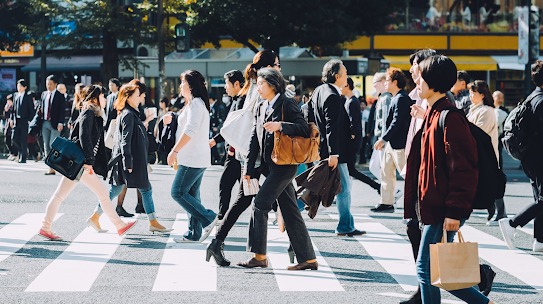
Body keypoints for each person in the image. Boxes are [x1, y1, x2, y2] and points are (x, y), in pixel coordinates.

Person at [405, 55, 494, 304]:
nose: (417, 81)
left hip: (444, 208)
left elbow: (463, 169)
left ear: (433, 81)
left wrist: (455, 211)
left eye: (421, 76)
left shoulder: (449, 117)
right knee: (440, 274)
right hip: (435, 206)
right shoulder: (433, 114)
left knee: (428, 270)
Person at [205, 50, 284, 266]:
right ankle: (292, 247)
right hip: (258, 156)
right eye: (276, 64)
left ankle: (220, 243)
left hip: (252, 156)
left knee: (249, 199)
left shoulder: (253, 84)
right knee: (267, 199)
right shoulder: (262, 87)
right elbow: (255, 123)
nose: (279, 67)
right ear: (268, 67)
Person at [236, 67, 317, 271]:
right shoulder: (261, 106)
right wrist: (248, 167)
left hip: (286, 165)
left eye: (261, 84)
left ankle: (259, 256)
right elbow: (254, 138)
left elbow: (303, 128)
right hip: (269, 166)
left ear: (273, 84)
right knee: (290, 211)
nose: (258, 88)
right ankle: (308, 259)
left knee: (260, 203)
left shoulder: (287, 103)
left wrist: (281, 125)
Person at [38, 85, 137, 241]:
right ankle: (119, 225)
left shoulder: (94, 114)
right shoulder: (89, 113)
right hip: (82, 164)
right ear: (94, 98)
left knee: (59, 196)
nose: (105, 99)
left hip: (79, 163)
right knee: (104, 194)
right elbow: (84, 137)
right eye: (103, 96)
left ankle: (45, 227)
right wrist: (89, 161)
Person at [88, 80, 172, 234]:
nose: (141, 97)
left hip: (128, 161)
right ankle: (153, 221)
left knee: (116, 190)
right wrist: (129, 163)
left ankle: (95, 216)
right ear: (128, 97)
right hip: (131, 161)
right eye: (138, 95)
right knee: (143, 189)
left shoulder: (128, 113)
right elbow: (125, 141)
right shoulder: (128, 115)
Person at [308, 59, 365, 236]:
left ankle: (346, 224)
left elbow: (307, 111)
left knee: (324, 185)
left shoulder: (319, 91)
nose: (347, 77)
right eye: (345, 73)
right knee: (344, 188)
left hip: (325, 149)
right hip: (335, 151)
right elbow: (333, 126)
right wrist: (334, 153)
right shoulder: (332, 95)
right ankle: (345, 226)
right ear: (336, 76)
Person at [400, 48, 437, 304]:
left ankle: (478, 275)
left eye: (415, 65)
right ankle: (422, 288)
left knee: (421, 230)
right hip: (414, 173)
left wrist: (426, 117)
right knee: (415, 229)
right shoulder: (415, 96)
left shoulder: (434, 101)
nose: (412, 70)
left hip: (427, 176)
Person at [166, 70, 217, 243]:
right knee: (192, 196)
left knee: (177, 192)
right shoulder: (193, 104)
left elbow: (190, 130)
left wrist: (175, 150)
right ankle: (194, 233)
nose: (180, 86)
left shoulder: (196, 104)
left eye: (183, 82)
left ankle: (209, 218)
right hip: (194, 158)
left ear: (191, 86)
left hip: (193, 158)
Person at [500, 60, 543, 253]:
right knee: (542, 199)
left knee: (540, 198)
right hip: (538, 157)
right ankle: (512, 223)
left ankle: (540, 240)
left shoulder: (533, 97)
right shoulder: (541, 101)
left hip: (531, 157)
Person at [372, 68, 413, 213]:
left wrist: (383, 139)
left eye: (388, 80)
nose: (385, 83)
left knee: (407, 174)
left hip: (400, 144)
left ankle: (415, 202)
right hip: (394, 144)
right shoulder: (397, 97)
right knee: (386, 171)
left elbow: (396, 122)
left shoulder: (401, 98)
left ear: (395, 82)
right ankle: (386, 202)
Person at [209, 70, 246, 221]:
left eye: (227, 84)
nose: (225, 88)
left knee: (226, 184)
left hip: (236, 152)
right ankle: (277, 206)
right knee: (246, 188)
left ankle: (222, 217)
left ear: (236, 84)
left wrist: (231, 147)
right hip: (235, 152)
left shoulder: (241, 101)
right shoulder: (237, 100)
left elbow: (238, 127)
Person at [466, 80, 500, 225]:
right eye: (469, 92)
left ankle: (498, 212)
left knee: (489, 184)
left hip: (485, 154)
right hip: (477, 153)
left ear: (481, 94)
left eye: (472, 93)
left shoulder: (487, 111)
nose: (470, 96)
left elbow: (478, 133)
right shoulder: (474, 109)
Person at [343, 77, 381, 194]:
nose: (339, 88)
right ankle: (375, 186)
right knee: (349, 170)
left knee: (350, 170)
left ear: (347, 85)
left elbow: (353, 122)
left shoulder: (352, 101)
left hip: (351, 143)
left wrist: (351, 137)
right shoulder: (351, 100)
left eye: (341, 85)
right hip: (353, 142)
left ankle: (376, 186)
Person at [39, 75, 66, 175]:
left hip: (55, 123)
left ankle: (56, 165)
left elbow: (62, 111)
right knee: (46, 145)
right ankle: (50, 167)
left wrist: (61, 122)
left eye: (50, 84)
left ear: (55, 84)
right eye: (47, 84)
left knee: (53, 145)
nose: (48, 86)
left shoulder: (60, 95)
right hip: (45, 122)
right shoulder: (44, 94)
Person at [11, 79, 35, 163]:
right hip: (16, 120)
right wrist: (11, 119)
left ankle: (23, 158)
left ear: (25, 87)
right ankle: (21, 152)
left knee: (23, 140)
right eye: (18, 86)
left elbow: (32, 111)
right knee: (14, 138)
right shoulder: (15, 95)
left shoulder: (28, 97)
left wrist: (29, 120)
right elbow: (13, 109)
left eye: (20, 86)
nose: (19, 88)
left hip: (24, 120)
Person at [209, 92, 226, 165]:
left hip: (216, 129)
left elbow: (222, 119)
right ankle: (214, 159)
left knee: (215, 144)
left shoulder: (219, 107)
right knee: (212, 143)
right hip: (210, 129)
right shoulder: (209, 107)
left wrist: (218, 127)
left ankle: (219, 159)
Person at [493, 91, 508, 169]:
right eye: (498, 97)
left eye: (502, 98)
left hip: (500, 136)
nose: (500, 100)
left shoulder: (504, 110)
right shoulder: (489, 108)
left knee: (498, 153)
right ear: (493, 98)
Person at [3, 94, 18, 161]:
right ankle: (12, 153)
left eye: (9, 100)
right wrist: (5, 111)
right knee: (7, 140)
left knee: (13, 140)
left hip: (13, 125)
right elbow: (5, 116)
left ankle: (15, 154)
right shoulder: (7, 107)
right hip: (8, 126)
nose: (8, 102)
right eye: (7, 101)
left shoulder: (15, 107)